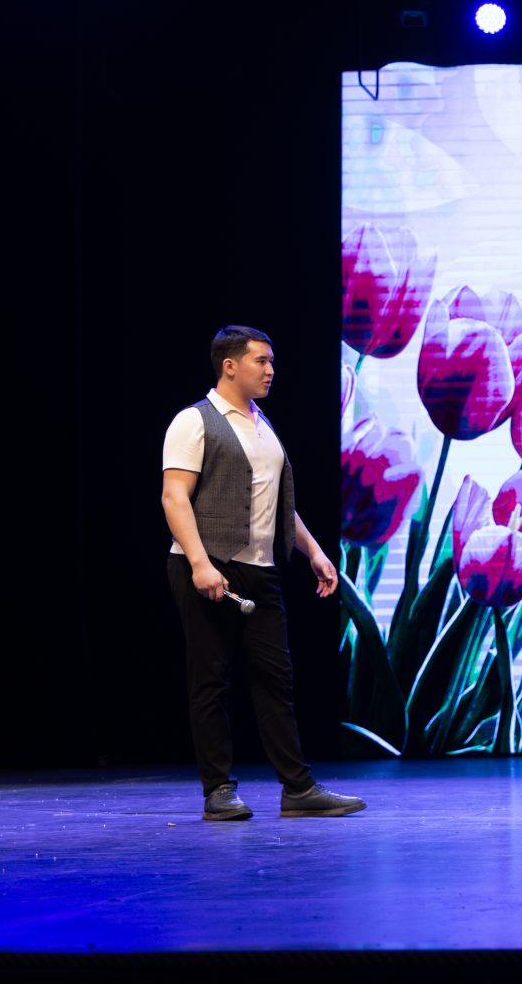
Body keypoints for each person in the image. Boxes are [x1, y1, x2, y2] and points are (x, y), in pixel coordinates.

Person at [161, 326, 365, 821]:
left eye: (271, 361)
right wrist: (200, 563)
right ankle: (218, 791)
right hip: (208, 567)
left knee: (276, 680)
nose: (271, 370)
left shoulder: (262, 425)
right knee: (211, 679)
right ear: (229, 366)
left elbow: (276, 504)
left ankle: (298, 788)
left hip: (261, 569)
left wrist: (314, 551)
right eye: (261, 361)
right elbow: (174, 497)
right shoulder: (194, 421)